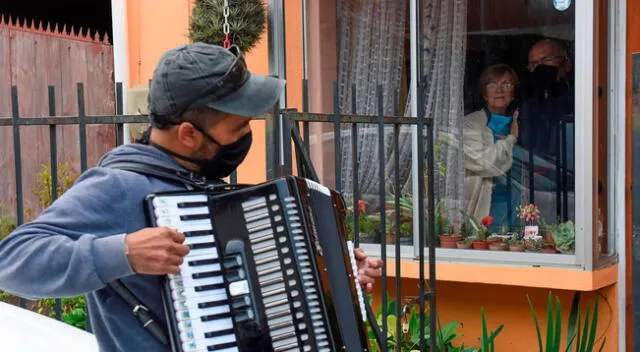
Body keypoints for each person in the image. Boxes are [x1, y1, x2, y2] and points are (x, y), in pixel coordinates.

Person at [0, 43, 383, 351]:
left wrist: (336, 277)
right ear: (188, 134)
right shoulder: (117, 187)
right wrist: (123, 253)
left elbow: (265, 296)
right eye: (239, 126)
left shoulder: (200, 185)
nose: (246, 135)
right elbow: (12, 260)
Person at [519, 37, 575, 221]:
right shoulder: (528, 100)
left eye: (546, 61)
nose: (539, 69)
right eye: (533, 64)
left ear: (566, 62)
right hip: (535, 182)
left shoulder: (579, 92)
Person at [463, 64, 521, 229]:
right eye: (492, 84)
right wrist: (511, 140)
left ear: (513, 94)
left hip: (515, 200)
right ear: (484, 93)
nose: (499, 90)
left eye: (506, 84)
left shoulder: (521, 122)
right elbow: (483, 163)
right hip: (484, 201)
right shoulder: (470, 124)